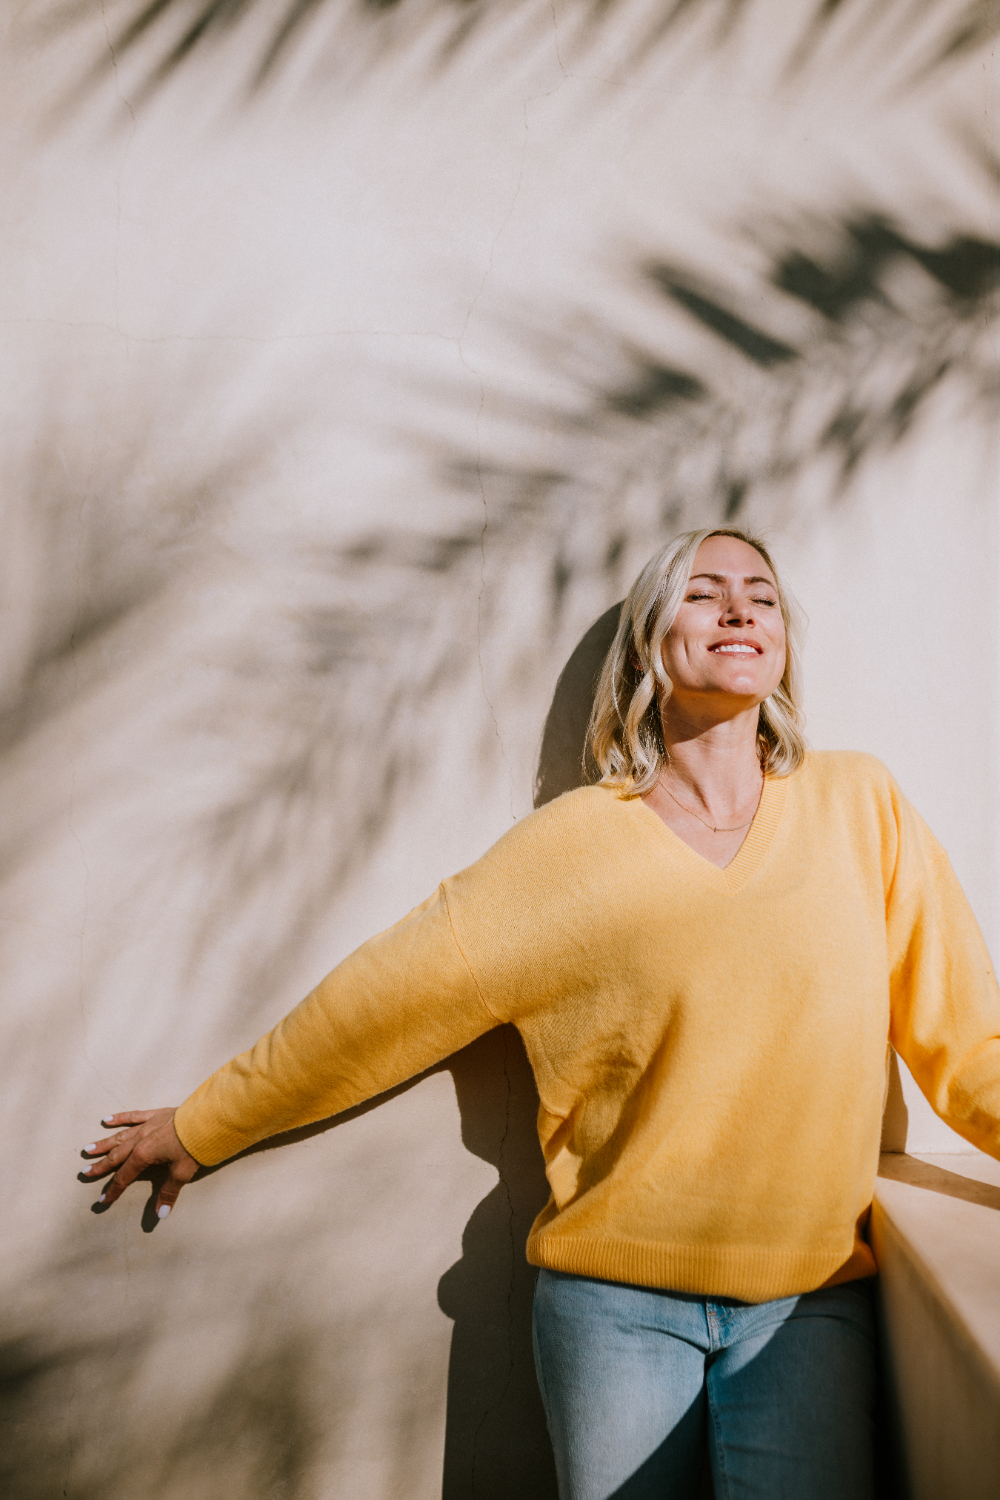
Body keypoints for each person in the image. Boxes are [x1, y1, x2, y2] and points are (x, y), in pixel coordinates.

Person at [80, 527, 1000, 1499]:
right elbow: (372, 1007)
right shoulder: (562, 851)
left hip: (807, 1303)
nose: (737, 608)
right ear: (651, 640)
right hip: (614, 1312)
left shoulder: (860, 806)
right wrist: (204, 1123)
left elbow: (967, 1040)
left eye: (760, 596)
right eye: (703, 593)